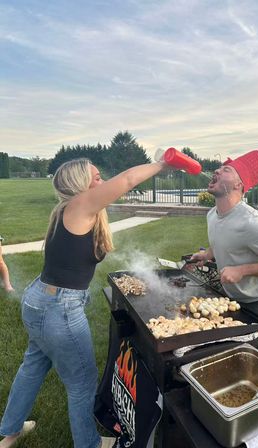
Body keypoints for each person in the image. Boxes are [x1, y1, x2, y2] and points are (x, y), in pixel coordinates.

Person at [0, 158, 169, 448]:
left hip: (40, 300)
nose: (103, 181)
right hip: (59, 308)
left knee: (33, 365)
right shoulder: (80, 205)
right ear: (81, 183)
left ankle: (10, 431)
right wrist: (163, 163)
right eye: (97, 177)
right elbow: (127, 180)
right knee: (81, 383)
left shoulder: (68, 210)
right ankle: (88, 444)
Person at [191, 150, 258, 364]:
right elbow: (222, 241)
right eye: (219, 168)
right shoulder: (212, 214)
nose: (218, 170)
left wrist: (242, 270)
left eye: (226, 169)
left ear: (239, 185)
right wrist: (207, 254)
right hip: (234, 297)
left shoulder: (253, 222)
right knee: (238, 356)